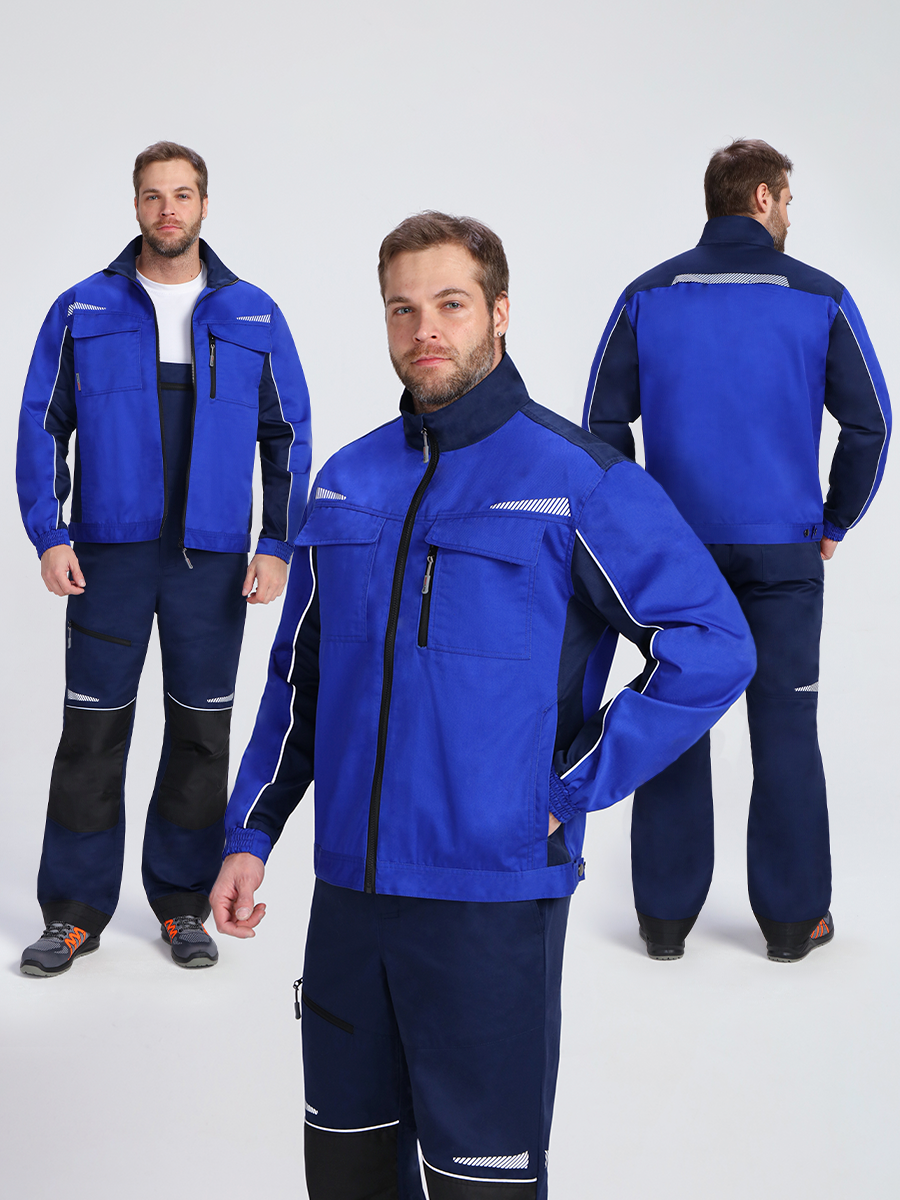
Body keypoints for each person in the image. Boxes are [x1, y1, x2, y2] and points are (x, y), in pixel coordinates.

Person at [211, 211, 755, 1199]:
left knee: (481, 1186)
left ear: (500, 313)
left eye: (451, 304)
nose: (425, 328)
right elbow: (301, 678)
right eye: (402, 308)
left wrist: (571, 786)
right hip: (351, 900)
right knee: (346, 1173)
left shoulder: (578, 481)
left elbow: (712, 645)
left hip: (489, 900)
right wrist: (252, 833)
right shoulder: (347, 482)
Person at [584, 139, 891, 964]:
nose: (790, 213)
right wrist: (836, 520)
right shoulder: (819, 297)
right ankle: (792, 922)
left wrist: (642, 528)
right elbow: (871, 423)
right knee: (786, 725)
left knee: (675, 717)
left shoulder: (647, 294)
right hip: (785, 554)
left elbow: (600, 427)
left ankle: (664, 921)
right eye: (787, 199)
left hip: (677, 556)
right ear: (762, 197)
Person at [16, 141, 311, 976]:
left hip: (210, 565)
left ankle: (182, 904)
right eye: (154, 195)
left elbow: (288, 437)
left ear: (204, 206)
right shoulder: (83, 307)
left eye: (183, 194)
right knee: (92, 733)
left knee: (201, 737)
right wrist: (50, 533)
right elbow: (42, 422)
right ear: (137, 205)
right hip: (107, 558)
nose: (168, 209)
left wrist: (277, 545)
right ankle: (73, 912)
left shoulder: (253, 314)